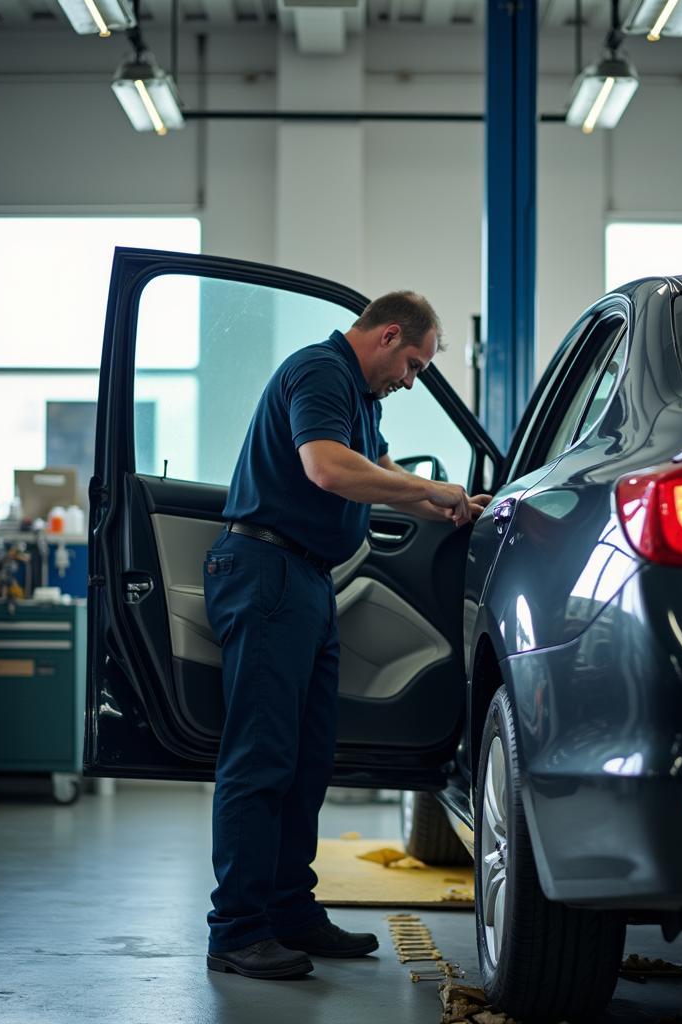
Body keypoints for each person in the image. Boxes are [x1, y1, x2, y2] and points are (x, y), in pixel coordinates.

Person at [202, 291, 491, 980]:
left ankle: (291, 913)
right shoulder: (323, 372)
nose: (410, 380)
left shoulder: (363, 398)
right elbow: (327, 468)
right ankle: (237, 930)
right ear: (389, 334)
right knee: (261, 757)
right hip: (267, 570)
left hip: (303, 579)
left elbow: (380, 471)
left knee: (306, 760)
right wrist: (436, 493)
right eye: (414, 364)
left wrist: (442, 496)